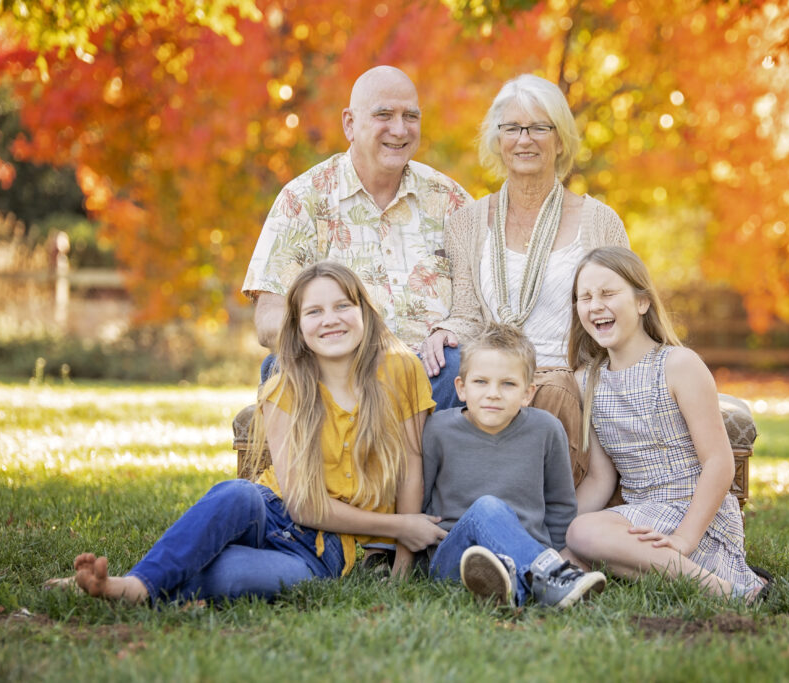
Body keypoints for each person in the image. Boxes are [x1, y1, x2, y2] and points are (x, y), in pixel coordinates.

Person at [47, 263, 447, 603]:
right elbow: (303, 507)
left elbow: (411, 465)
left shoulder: (400, 370)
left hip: (321, 554)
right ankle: (134, 586)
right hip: (272, 513)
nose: (330, 319)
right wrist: (401, 527)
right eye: (314, 311)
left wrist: (402, 568)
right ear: (298, 326)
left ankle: (124, 584)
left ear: (365, 311)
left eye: (343, 305)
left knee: (229, 578)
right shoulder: (284, 388)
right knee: (238, 492)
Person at [420, 73, 629, 484]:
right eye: (513, 128)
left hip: (568, 371)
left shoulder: (599, 221)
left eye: (539, 127)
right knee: (444, 374)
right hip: (498, 369)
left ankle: (525, 523)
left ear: (560, 139)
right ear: (498, 140)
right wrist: (442, 330)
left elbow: (624, 311)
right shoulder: (468, 223)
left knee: (548, 394)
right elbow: (466, 311)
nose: (525, 139)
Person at [243, 65, 470, 408]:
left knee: (460, 368)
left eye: (411, 116)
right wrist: (337, 346)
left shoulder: (450, 199)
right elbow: (268, 319)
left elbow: (485, 302)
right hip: (337, 368)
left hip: (433, 373)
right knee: (278, 368)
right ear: (349, 124)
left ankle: (405, 453)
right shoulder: (303, 199)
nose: (399, 129)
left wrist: (452, 330)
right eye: (384, 115)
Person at [564, 247, 772, 603]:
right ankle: (686, 578)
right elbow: (602, 479)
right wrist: (554, 529)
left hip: (699, 521)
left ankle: (726, 590)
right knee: (567, 551)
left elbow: (719, 463)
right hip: (642, 520)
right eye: (585, 297)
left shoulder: (678, 365)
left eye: (608, 293)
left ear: (643, 302)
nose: (595, 305)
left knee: (582, 534)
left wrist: (683, 539)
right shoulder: (587, 382)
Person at [421, 323, 606, 607]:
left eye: (508, 384)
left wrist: (555, 550)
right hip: (454, 559)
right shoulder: (437, 430)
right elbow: (420, 499)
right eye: (480, 382)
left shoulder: (546, 429)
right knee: (487, 508)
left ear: (528, 393)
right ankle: (552, 578)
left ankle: (514, 590)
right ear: (461, 388)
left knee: (506, 567)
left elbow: (559, 505)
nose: (493, 393)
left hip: (525, 553)